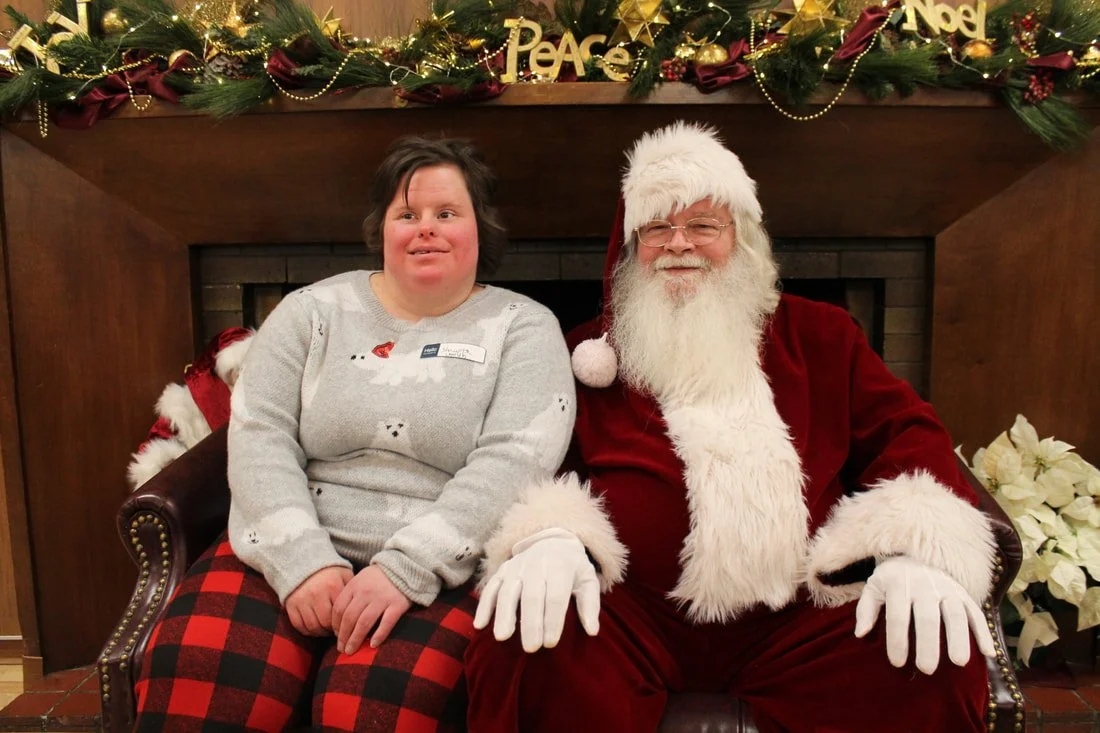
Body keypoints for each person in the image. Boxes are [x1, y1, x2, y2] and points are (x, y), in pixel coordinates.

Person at [466, 121, 998, 733]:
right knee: (524, 643)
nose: (678, 244)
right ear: (632, 247)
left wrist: (913, 550)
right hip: (633, 617)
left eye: (702, 225)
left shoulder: (822, 335)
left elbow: (908, 433)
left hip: (799, 617)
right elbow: (541, 460)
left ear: (739, 237)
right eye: (658, 227)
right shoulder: (588, 354)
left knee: (929, 661)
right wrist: (551, 536)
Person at [133, 135, 575, 732]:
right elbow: (260, 433)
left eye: (447, 213)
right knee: (197, 668)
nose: (427, 230)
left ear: (481, 228)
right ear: (382, 228)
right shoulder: (312, 311)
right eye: (407, 215)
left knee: (375, 707)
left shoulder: (524, 327)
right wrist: (303, 562)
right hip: (289, 540)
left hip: (436, 564)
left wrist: (405, 570)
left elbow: (515, 461)